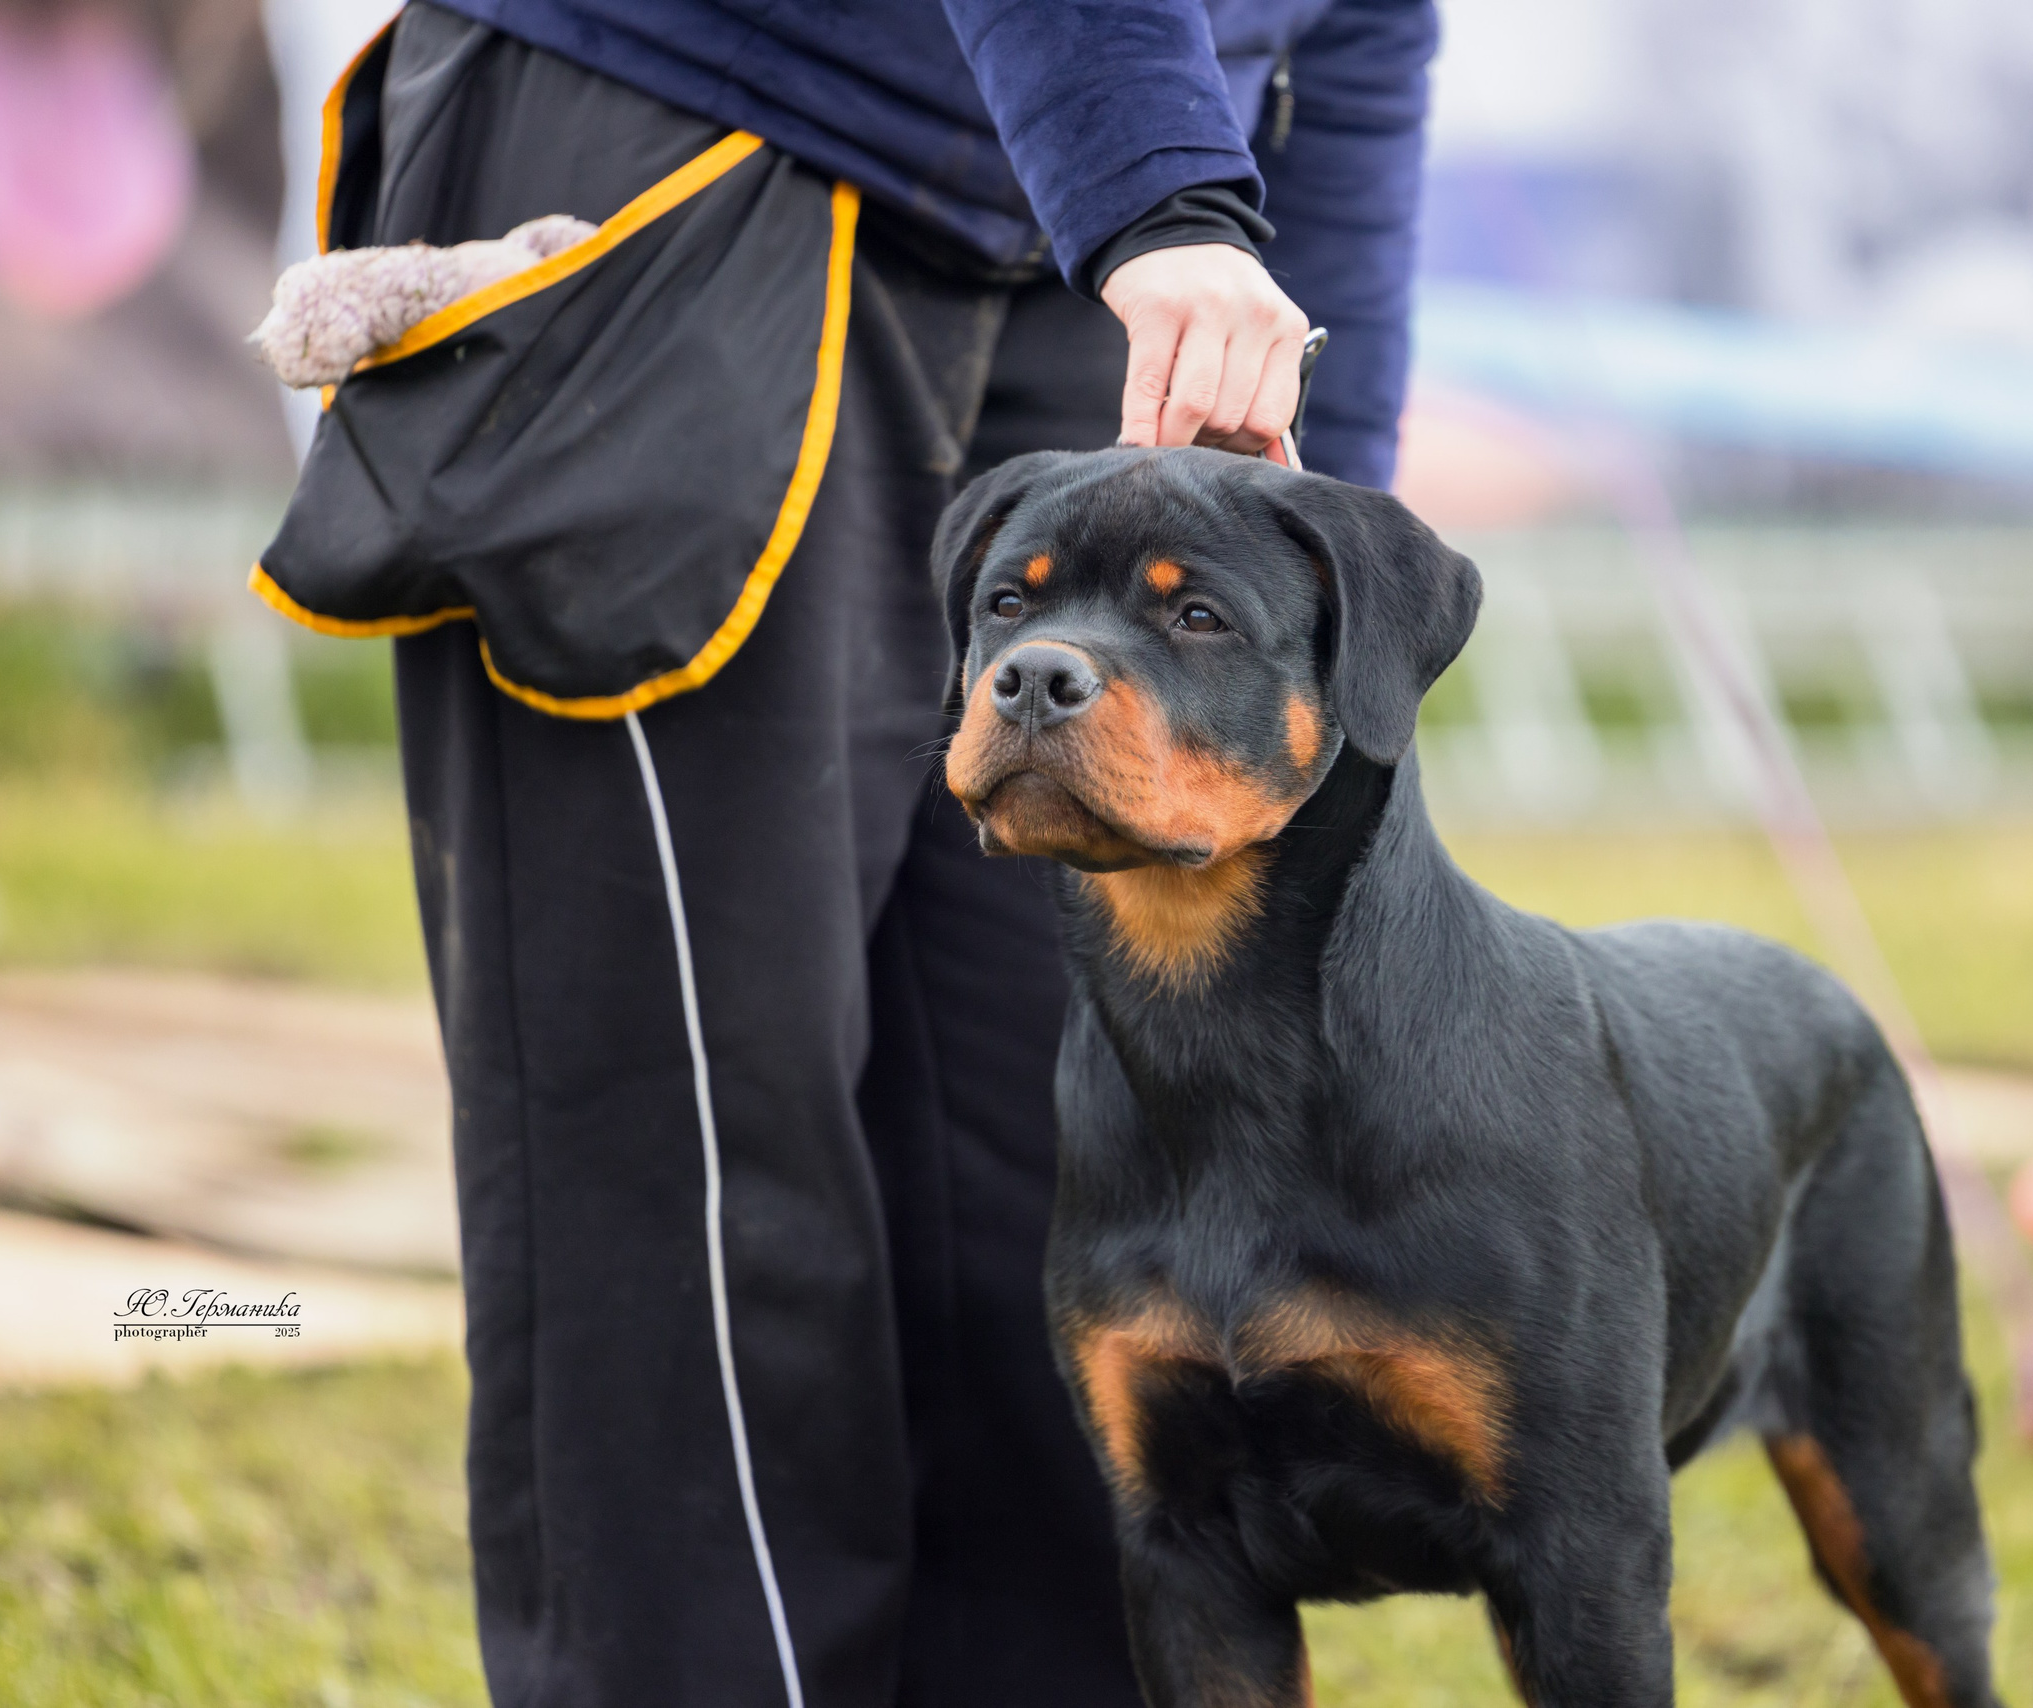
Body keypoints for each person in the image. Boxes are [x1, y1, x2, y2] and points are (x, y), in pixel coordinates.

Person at [256, 4, 1433, 1705]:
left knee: (1085, 1145)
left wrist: (1340, 579)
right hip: (711, 138)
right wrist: (1163, 193)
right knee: (698, 1140)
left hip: (1111, 234)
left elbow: (1363, 27)